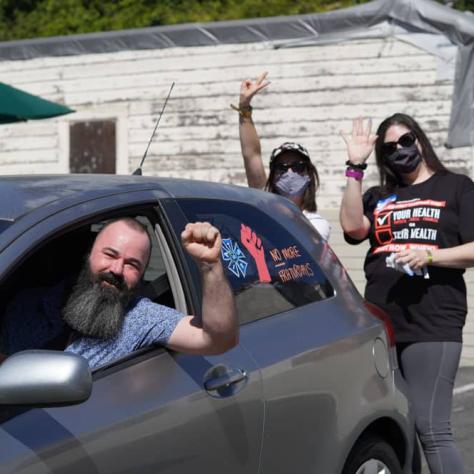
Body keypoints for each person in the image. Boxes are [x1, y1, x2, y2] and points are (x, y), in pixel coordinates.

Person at [339, 114, 474, 474]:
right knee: (402, 425)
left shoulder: (455, 187)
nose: (400, 150)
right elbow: (352, 227)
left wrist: (430, 254)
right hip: (383, 322)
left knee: (432, 428)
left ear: (420, 140)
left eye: (405, 140)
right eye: (389, 148)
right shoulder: (380, 195)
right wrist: (355, 167)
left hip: (432, 319)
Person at [0, 218, 238, 369]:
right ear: (89, 255)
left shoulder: (141, 319)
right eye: (110, 255)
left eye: (132, 264)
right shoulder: (28, 304)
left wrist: (210, 266)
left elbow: (217, 338)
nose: (116, 270)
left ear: (142, 275)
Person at [233, 71, 331, 241]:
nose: (290, 172)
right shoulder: (264, 203)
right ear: (273, 175)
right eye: (282, 167)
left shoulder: (317, 223)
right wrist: (244, 108)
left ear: (309, 174)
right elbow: (251, 155)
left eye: (298, 166)